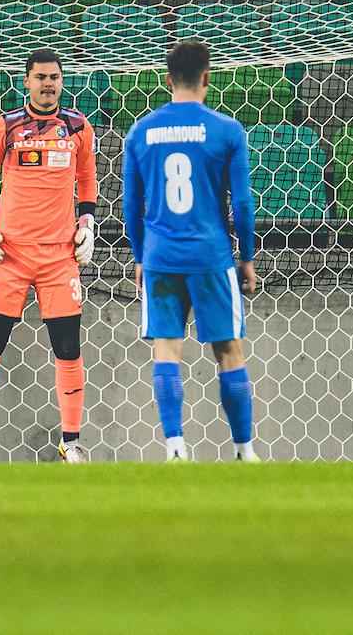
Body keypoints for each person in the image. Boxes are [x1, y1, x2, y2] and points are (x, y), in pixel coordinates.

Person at [0, 49, 98, 464]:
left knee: (68, 348)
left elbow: (87, 179)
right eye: (40, 77)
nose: (47, 83)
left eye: (54, 76)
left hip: (59, 257)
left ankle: (71, 443)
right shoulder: (6, 126)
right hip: (10, 255)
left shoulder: (78, 127)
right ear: (27, 81)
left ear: (62, 80)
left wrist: (87, 224)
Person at [122, 40, 260, 462]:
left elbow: (131, 204)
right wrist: (248, 257)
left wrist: (141, 257)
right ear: (206, 77)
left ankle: (176, 448)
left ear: (167, 80)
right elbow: (241, 203)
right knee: (229, 351)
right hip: (210, 256)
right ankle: (244, 450)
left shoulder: (141, 131)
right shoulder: (226, 130)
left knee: (166, 349)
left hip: (162, 256)